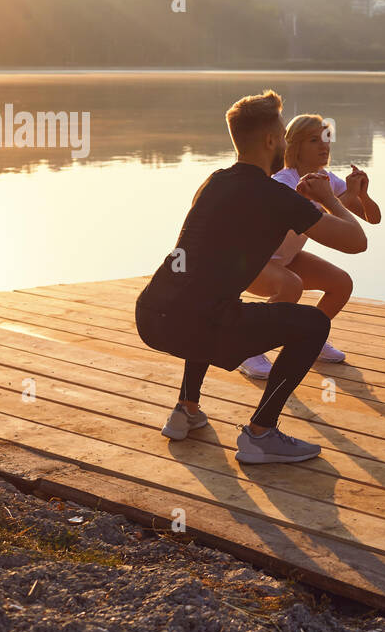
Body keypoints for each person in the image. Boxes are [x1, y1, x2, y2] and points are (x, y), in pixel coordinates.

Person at [134, 91, 367, 464]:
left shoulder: (213, 181)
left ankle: (186, 409)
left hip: (150, 315)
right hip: (194, 324)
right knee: (310, 324)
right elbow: (357, 242)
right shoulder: (275, 195)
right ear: (271, 141)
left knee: (208, 303)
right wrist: (331, 199)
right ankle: (261, 433)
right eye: (282, 135)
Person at [237, 113, 381, 378]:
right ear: (295, 147)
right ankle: (247, 349)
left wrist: (361, 193)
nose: (324, 146)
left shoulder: (325, 179)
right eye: (314, 140)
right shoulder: (283, 181)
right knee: (291, 285)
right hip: (252, 263)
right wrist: (339, 198)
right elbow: (321, 224)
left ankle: (307, 338)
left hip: (286, 257)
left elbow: (373, 217)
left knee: (341, 284)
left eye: (326, 138)